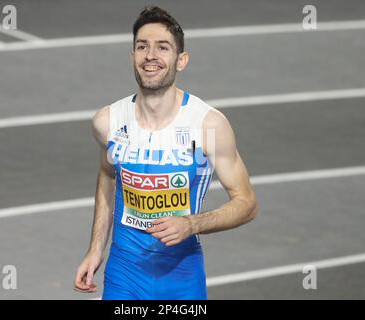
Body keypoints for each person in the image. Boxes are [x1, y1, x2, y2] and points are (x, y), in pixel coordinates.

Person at [74, 6, 258, 300]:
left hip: (182, 276)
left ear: (181, 60)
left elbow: (247, 203)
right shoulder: (108, 122)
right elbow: (108, 178)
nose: (150, 56)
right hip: (124, 274)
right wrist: (95, 250)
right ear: (132, 57)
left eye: (163, 47)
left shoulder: (208, 125)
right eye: (142, 47)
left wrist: (191, 224)